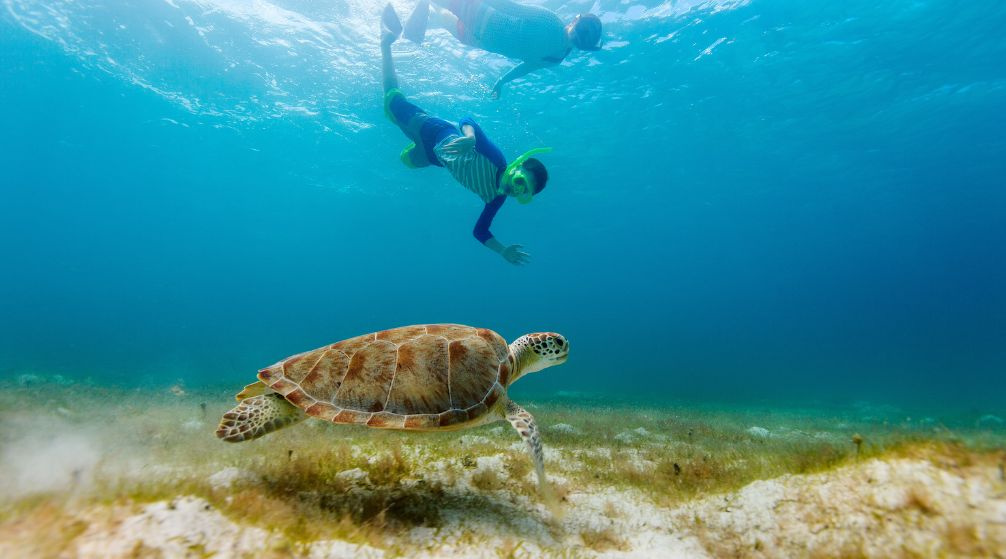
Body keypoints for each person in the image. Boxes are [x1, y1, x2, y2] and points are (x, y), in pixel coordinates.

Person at [381, 4, 551, 265]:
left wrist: (503, 251)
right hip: (436, 131)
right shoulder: (496, 159)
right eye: (520, 182)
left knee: (405, 160)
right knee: (391, 104)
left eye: (523, 192)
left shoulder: (496, 199)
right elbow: (466, 120)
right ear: (516, 167)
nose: (516, 191)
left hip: (434, 157)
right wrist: (471, 138)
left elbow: (479, 231)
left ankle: (408, 135)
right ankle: (387, 42)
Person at [402, 0, 602, 98]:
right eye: (583, 30)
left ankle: (409, 25)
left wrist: (501, 81)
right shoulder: (549, 21)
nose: (580, 36)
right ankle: (415, 19)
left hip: (478, 40)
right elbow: (509, 7)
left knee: (440, 19)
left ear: (586, 47)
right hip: (481, 15)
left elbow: (526, 67)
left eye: (586, 38)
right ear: (576, 19)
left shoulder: (556, 59)